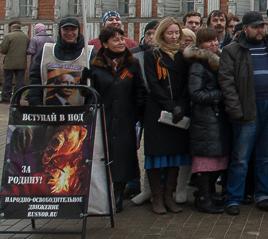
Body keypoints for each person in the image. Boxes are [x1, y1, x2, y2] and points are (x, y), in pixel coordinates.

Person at [219, 11, 268, 215]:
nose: (260, 30)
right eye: (256, 27)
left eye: (262, 26)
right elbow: (226, 83)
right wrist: (236, 109)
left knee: (266, 155)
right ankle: (233, 198)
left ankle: (263, 194)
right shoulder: (232, 50)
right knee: (240, 157)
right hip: (247, 109)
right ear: (244, 28)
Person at [88, 26, 147, 214]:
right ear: (105, 44)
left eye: (122, 38)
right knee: (102, 157)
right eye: (115, 39)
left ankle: (118, 195)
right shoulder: (95, 65)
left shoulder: (131, 64)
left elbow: (139, 91)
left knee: (123, 158)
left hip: (125, 120)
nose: (121, 42)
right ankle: (101, 195)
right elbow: (90, 93)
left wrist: (140, 115)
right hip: (102, 119)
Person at [141, 17, 191, 215]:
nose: (174, 37)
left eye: (177, 33)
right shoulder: (151, 55)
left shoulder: (183, 56)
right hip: (158, 111)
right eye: (170, 33)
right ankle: (157, 197)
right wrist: (171, 106)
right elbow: (153, 85)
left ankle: (169, 196)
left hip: (179, 112)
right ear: (162, 34)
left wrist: (182, 106)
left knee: (174, 155)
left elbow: (187, 85)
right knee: (156, 155)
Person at [184, 28, 229, 215]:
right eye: (209, 41)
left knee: (218, 159)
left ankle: (206, 196)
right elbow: (195, 94)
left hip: (215, 117)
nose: (214, 44)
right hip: (204, 118)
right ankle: (203, 198)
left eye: (215, 40)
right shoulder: (198, 64)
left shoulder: (216, 62)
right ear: (200, 44)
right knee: (205, 161)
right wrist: (220, 95)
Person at [27, 17, 92, 106]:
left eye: (73, 29)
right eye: (65, 29)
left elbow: (94, 85)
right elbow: (35, 78)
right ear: (60, 31)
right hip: (48, 111)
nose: (69, 33)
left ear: (78, 30)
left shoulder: (89, 53)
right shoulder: (46, 51)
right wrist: (35, 104)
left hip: (80, 113)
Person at [0, 22, 29, 103]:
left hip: (10, 62)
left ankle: (5, 98)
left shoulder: (8, 36)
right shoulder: (26, 37)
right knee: (19, 81)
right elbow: (28, 49)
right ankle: (17, 99)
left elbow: (3, 50)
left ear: (12, 28)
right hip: (22, 62)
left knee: (7, 80)